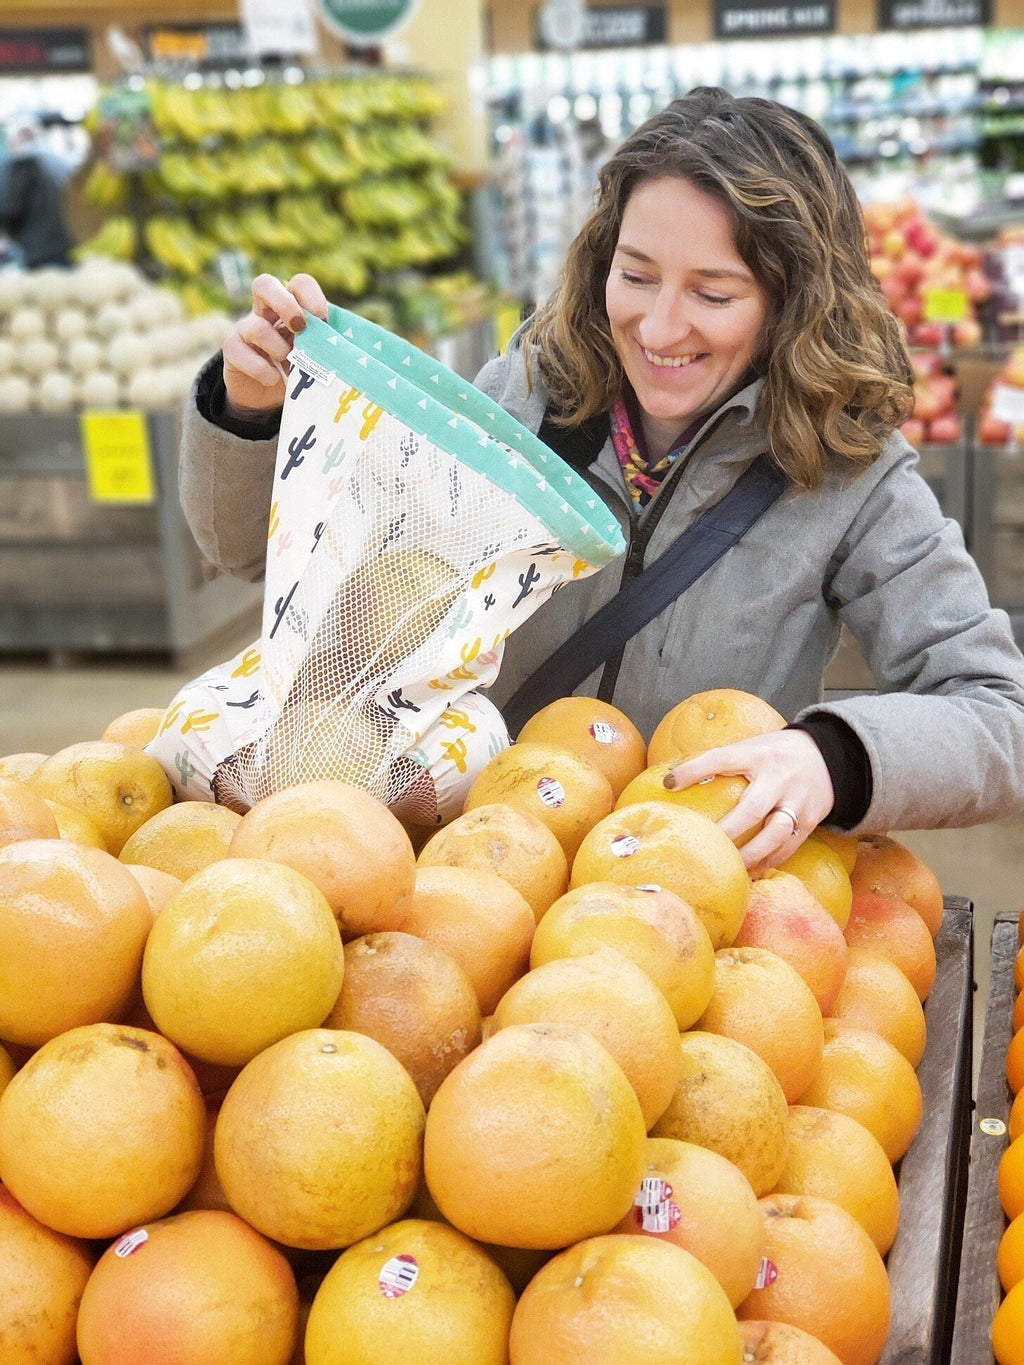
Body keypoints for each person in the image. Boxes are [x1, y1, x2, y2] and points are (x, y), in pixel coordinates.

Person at [178, 85, 1024, 871]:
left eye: (714, 294)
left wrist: (831, 754)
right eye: (637, 274)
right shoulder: (523, 401)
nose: (659, 327)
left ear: (791, 299)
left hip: (691, 898)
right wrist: (253, 413)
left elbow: (1000, 717)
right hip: (479, 871)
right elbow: (256, 557)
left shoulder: (850, 475)